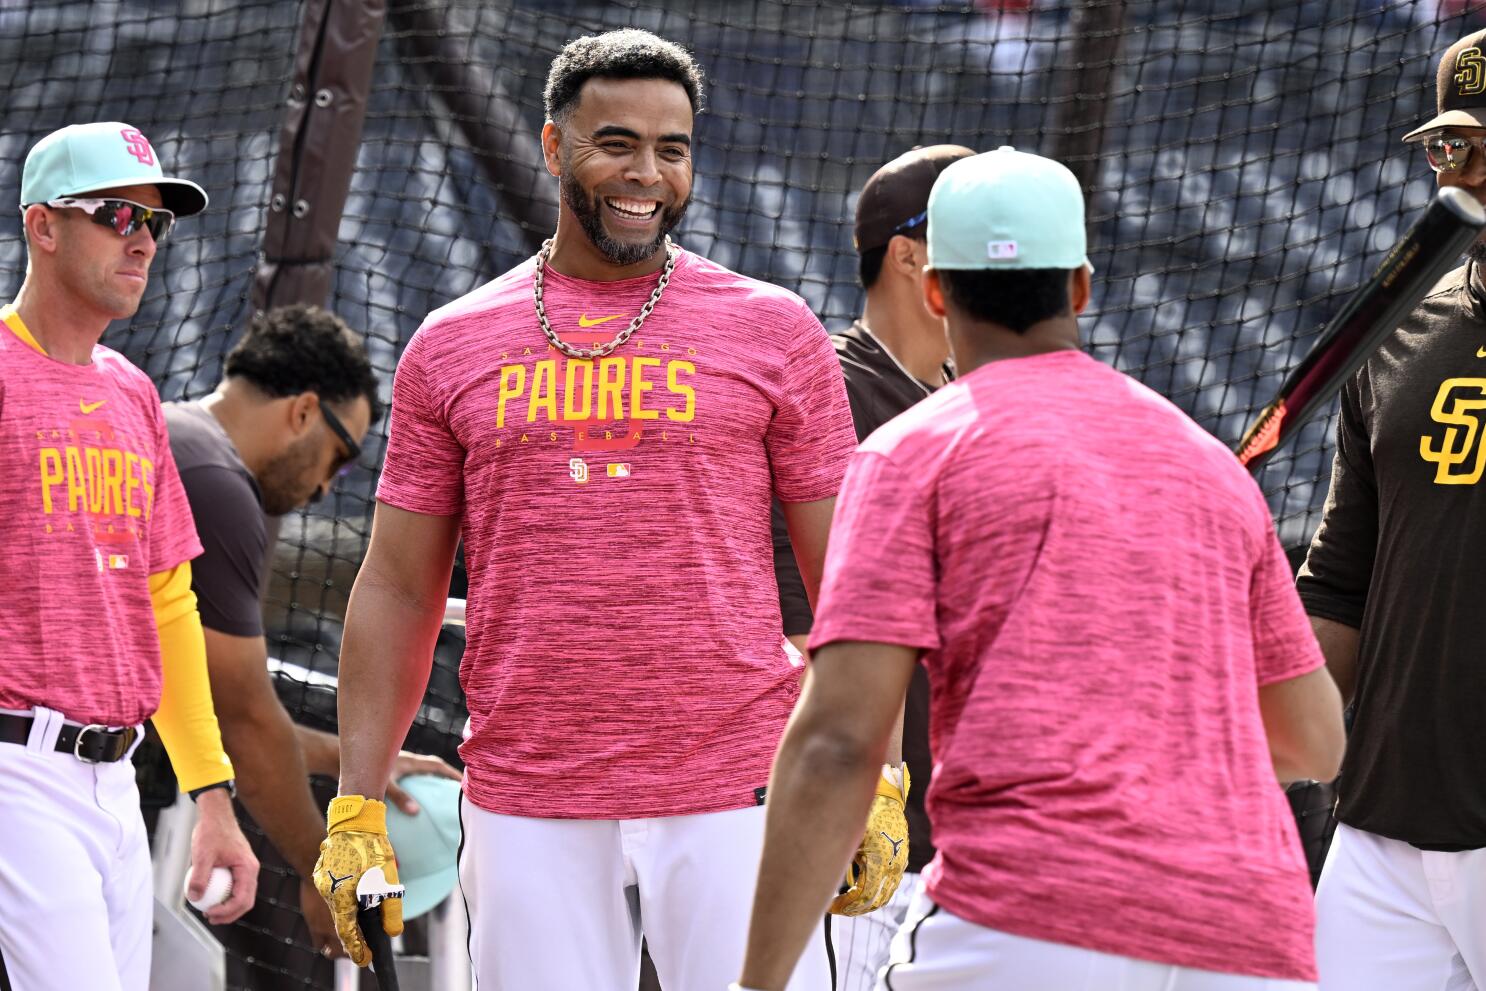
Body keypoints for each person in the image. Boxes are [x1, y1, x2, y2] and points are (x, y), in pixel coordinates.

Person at [313, 29, 860, 990]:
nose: (646, 173)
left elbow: (853, 577)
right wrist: (356, 803)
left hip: (737, 784)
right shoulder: (452, 343)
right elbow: (399, 584)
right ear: (554, 145)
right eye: (616, 143)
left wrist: (878, 770)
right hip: (529, 792)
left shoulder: (774, 329)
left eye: (672, 148)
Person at [738, 147, 1346, 991]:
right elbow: (1314, 737)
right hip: (1248, 929)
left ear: (938, 290)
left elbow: (841, 739)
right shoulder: (1207, 465)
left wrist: (757, 982)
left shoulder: (914, 452)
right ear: (1082, 288)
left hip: (1027, 922)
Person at [0, 121, 258, 989]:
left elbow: (169, 602)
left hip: (120, 783)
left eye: (156, 221)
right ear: (43, 226)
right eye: (116, 213)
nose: (142, 238)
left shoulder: (132, 391)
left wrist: (211, 795)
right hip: (15, 769)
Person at [162, 302, 460, 975]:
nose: (328, 487)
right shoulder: (215, 482)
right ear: (302, 412)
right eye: (341, 456)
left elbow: (208, 712)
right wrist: (323, 862)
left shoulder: (168, 434)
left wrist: (350, 761)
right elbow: (244, 717)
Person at [1300, 27, 1486, 990]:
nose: (1471, 172)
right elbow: (1339, 584)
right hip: (1383, 829)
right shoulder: (1397, 330)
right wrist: (1256, 745)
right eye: (1453, 146)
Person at [771, 143, 972, 990]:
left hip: (977, 847)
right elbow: (796, 631)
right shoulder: (830, 398)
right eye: (982, 233)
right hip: (866, 845)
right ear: (909, 253)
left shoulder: (978, 400)